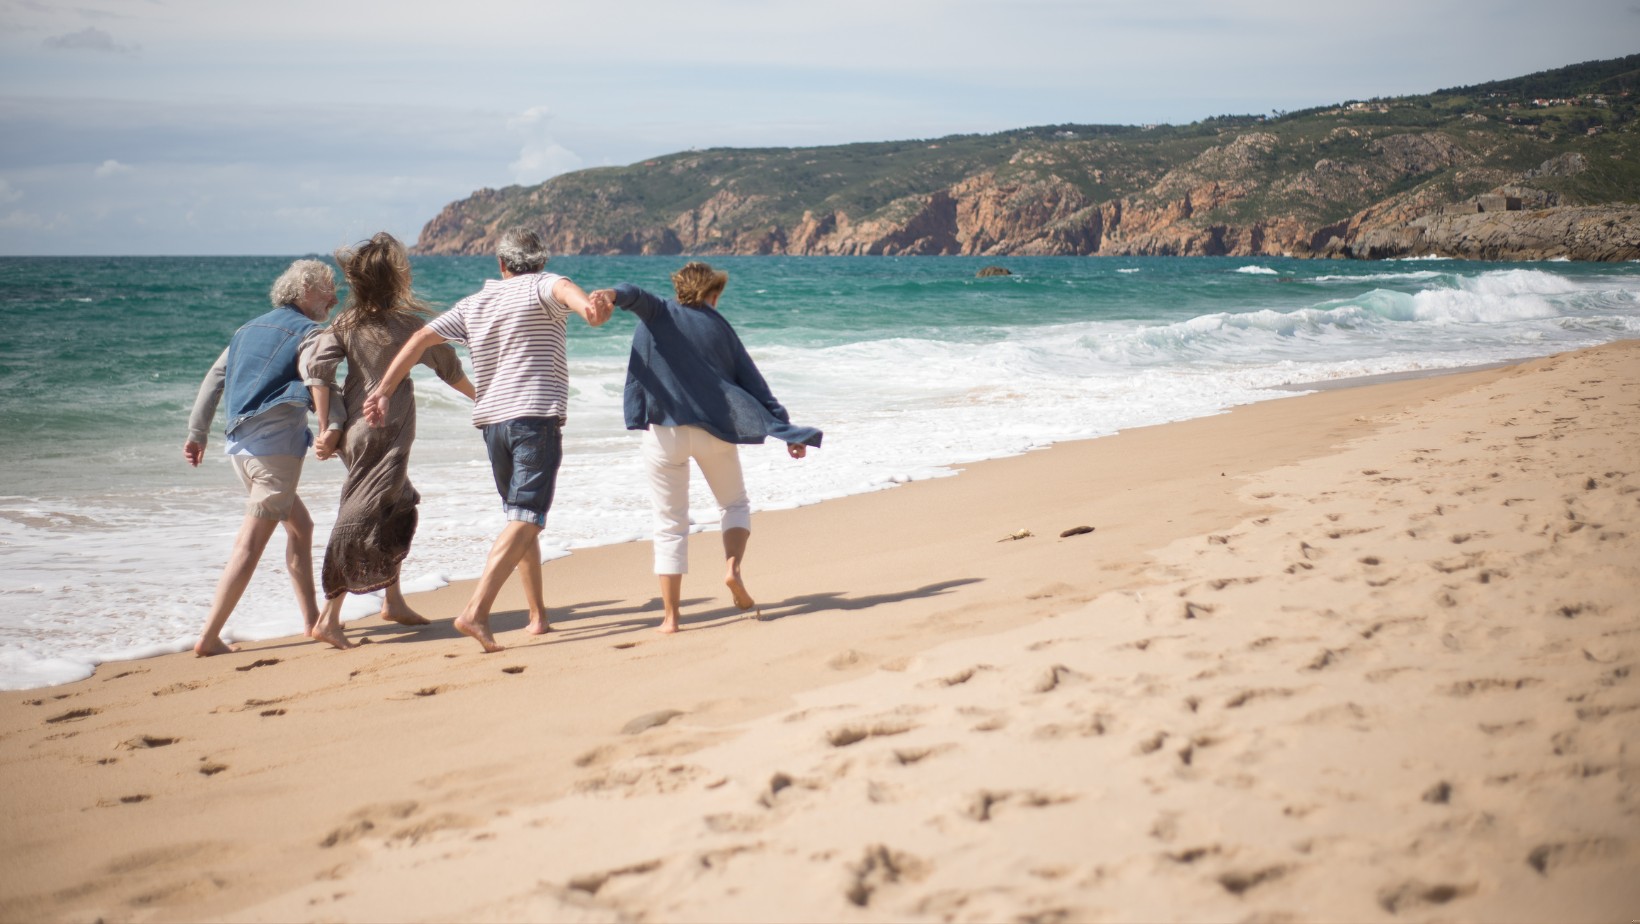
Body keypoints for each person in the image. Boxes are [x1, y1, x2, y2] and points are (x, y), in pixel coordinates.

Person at [363, 228, 611, 652]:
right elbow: (584, 307)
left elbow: (420, 339)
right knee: (527, 517)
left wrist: (383, 390)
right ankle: (475, 611)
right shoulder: (548, 284)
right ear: (542, 261)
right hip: (533, 417)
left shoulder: (474, 303)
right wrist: (595, 310)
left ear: (500, 264)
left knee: (519, 519)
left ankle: (537, 616)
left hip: (494, 424)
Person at [589, 261, 821, 634]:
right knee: (734, 505)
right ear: (713, 294)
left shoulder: (658, 311)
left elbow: (635, 295)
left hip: (664, 434)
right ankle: (732, 568)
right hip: (714, 431)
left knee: (669, 524)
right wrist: (788, 431)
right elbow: (755, 385)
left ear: (678, 288)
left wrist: (610, 295)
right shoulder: (720, 328)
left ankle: (671, 618)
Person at [303, 232, 476, 647]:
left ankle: (393, 600)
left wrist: (328, 426)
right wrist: (482, 397)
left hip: (356, 433)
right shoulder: (408, 326)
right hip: (385, 434)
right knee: (360, 516)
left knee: (397, 505)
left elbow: (318, 370)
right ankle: (328, 617)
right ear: (394, 279)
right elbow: (449, 369)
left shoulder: (345, 324)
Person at [183, 259, 348, 655]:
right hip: (275, 453)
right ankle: (209, 637)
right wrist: (331, 427)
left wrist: (197, 433)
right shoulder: (310, 332)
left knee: (301, 527)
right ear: (305, 290)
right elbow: (318, 375)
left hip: (240, 451)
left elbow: (214, 379)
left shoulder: (246, 329)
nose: (334, 298)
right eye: (328, 288)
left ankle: (311, 620)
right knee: (249, 545)